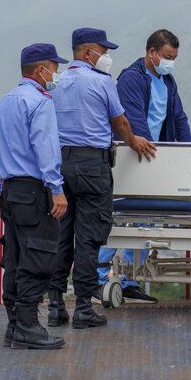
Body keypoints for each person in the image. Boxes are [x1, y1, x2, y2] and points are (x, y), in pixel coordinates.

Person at [48, 28, 157, 329]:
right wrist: (134, 141)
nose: (106, 57)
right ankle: (83, 306)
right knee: (89, 236)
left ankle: (56, 304)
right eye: (103, 51)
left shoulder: (56, 83)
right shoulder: (101, 82)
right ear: (87, 53)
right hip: (92, 165)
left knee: (62, 236)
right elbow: (120, 121)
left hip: (60, 163)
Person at [95, 28, 191, 303]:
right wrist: (151, 152)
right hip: (133, 154)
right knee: (119, 217)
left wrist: (189, 152)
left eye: (174, 57)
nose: (170, 61)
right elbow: (133, 119)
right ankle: (98, 278)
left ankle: (130, 281)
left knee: (143, 220)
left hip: (153, 156)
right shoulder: (131, 79)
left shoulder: (168, 82)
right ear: (151, 53)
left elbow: (178, 117)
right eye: (166, 56)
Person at [0, 43, 69, 350]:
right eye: (54, 67)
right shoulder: (40, 102)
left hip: (11, 190)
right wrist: (57, 189)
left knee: (15, 257)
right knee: (39, 257)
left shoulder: (6, 101)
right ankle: (27, 325)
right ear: (41, 70)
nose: (56, 74)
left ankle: (14, 324)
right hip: (34, 190)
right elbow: (46, 148)